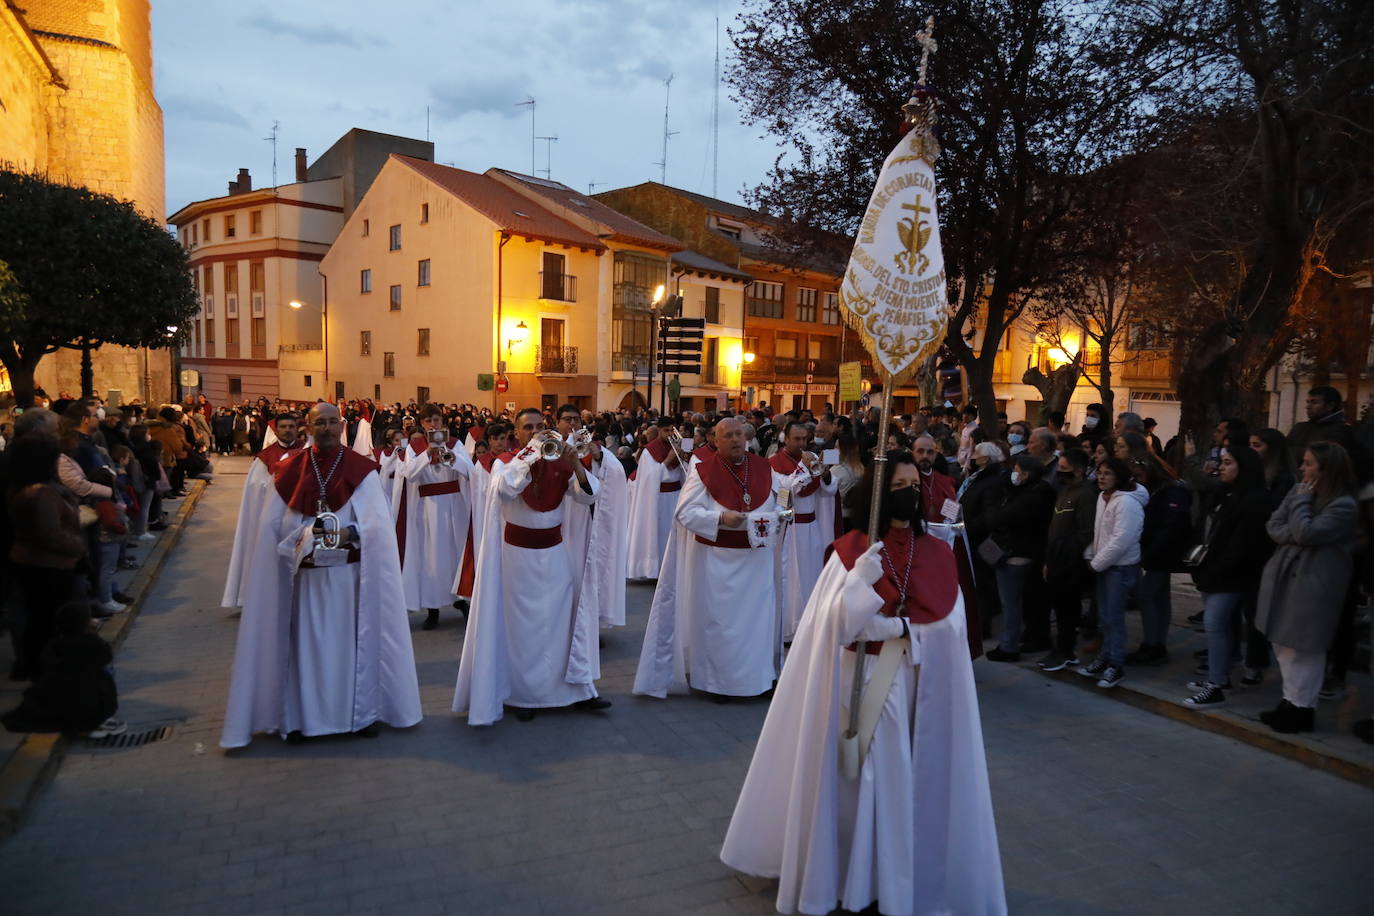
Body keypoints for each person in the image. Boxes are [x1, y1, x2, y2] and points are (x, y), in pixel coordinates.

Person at [719, 450, 1005, 916]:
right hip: (862, 684)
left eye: (914, 486)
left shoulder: (936, 550)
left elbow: (953, 627)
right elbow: (835, 627)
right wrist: (860, 585)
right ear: (876, 495)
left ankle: (899, 879)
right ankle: (853, 880)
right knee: (860, 784)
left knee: (907, 785)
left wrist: (902, 630)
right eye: (897, 488)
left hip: (918, 688)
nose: (909, 495)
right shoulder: (852, 550)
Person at [220, 402, 421, 747]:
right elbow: (271, 529)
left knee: (353, 646)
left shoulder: (362, 469)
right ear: (307, 427)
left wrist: (344, 535)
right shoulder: (289, 470)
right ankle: (299, 719)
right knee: (304, 649)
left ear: (341, 425)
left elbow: (379, 528)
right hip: (305, 582)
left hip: (349, 583)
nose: (327, 428)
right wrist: (302, 538)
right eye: (320, 423)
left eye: (332, 422)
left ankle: (359, 716)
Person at [453, 407, 609, 724]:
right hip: (517, 558)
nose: (536, 432)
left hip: (554, 555)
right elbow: (505, 488)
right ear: (517, 431)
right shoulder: (505, 462)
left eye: (540, 427)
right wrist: (530, 454)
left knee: (559, 623)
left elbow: (589, 496)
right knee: (523, 630)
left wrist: (575, 462)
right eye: (528, 428)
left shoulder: (560, 461)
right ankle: (524, 694)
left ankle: (574, 690)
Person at [634, 417, 802, 700]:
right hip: (717, 563)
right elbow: (684, 512)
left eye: (740, 435)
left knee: (758, 623)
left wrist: (785, 509)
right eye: (729, 436)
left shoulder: (764, 467)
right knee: (720, 625)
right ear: (716, 439)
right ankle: (718, 685)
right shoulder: (703, 471)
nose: (736, 440)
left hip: (757, 562)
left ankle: (758, 680)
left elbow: (781, 498)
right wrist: (721, 518)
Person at [1255, 442, 1359, 734]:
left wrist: (1301, 509)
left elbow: (1308, 532)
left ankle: (1303, 708)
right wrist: (1296, 531)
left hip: (1316, 584)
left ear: (1327, 469)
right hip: (1284, 576)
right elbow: (1274, 524)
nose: (1302, 468)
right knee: (1283, 644)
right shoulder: (1299, 489)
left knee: (1305, 648)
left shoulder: (1343, 505)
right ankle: (1291, 700)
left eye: (1309, 463)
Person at [1180, 445, 1271, 708]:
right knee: (1219, 626)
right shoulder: (1227, 493)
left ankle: (1216, 684)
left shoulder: (1255, 500)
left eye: (1228, 462)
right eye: (1222, 462)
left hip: (1233, 576)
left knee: (1215, 623)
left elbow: (1241, 546)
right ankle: (1219, 677)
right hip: (1214, 573)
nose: (1221, 467)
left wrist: (1213, 570)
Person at [6, 432, 86, 680]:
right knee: (47, 621)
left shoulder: (25, 488)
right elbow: (50, 534)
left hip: (37, 564)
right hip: (48, 567)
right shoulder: (40, 494)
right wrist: (78, 545)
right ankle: (51, 673)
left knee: (40, 620)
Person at [392, 404, 475, 630]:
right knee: (431, 557)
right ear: (422, 423)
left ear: (442, 421)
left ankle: (462, 600)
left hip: (454, 505)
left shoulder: (455, 443)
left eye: (436, 419)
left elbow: (469, 471)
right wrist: (427, 453)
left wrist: (450, 459)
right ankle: (433, 609)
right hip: (427, 509)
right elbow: (408, 474)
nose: (433, 424)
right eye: (428, 421)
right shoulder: (415, 447)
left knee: (456, 553)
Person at [2, 600, 123, 737]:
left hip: (61, 708)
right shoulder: (93, 645)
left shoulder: (54, 647)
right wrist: (94, 634)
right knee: (105, 670)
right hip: (90, 709)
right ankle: (98, 719)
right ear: (85, 625)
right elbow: (106, 656)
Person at [221, 412, 305, 609]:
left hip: (301, 518)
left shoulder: (307, 452)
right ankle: (267, 599)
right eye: (283, 427)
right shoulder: (264, 459)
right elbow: (256, 493)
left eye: (291, 427)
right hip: (273, 520)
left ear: (297, 429)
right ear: (275, 430)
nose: (287, 430)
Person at [1076, 456, 1147, 688]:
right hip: (1104, 566)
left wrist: (1097, 563)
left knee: (1114, 618)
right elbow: (1099, 532)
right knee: (1105, 617)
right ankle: (1104, 657)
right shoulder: (1102, 497)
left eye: (1107, 473)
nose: (1101, 477)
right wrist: (1091, 553)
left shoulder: (1126, 503)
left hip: (1120, 568)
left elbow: (1121, 540)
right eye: (1100, 472)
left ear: (1119, 477)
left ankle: (1115, 664)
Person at [983, 454, 1056, 662]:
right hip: (1023, 553)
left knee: (1010, 604)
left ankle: (1009, 646)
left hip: (1015, 555)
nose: (1012, 474)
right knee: (1015, 603)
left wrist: (992, 504)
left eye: (1016, 470)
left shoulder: (1029, 498)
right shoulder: (1036, 493)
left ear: (1025, 474)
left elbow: (998, 519)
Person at [770, 420, 838, 641]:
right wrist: (804, 468)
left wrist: (825, 474)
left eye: (804, 439)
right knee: (789, 578)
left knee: (810, 575)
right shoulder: (773, 463)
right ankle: (788, 627)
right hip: (789, 530)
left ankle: (809, 624)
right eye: (796, 439)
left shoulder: (812, 458)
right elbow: (786, 490)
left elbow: (828, 492)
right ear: (785, 438)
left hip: (811, 528)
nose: (801, 443)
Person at [1124, 456, 1192, 666]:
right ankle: (1155, 642)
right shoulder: (1155, 490)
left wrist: (1152, 549)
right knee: (1159, 597)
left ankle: (1153, 643)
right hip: (1158, 550)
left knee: (1149, 596)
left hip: (1162, 551)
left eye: (1140, 475)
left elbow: (1171, 524)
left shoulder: (1171, 491)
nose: (1138, 479)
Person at [1038, 449, 1097, 671]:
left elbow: (1085, 533)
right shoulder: (1064, 491)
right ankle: (1060, 649)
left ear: (1079, 470)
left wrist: (1064, 554)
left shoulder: (1086, 495)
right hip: (1055, 561)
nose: (1059, 472)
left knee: (1068, 611)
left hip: (1070, 564)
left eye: (1064, 468)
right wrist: (1048, 560)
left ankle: (1066, 651)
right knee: (1060, 608)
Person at [624, 419, 685, 580]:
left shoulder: (678, 446)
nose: (670, 434)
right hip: (659, 500)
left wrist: (683, 457)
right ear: (658, 431)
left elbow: (684, 472)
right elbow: (649, 477)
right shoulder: (649, 451)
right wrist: (667, 460)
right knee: (659, 533)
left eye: (672, 430)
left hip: (676, 496)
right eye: (666, 430)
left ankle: (674, 569)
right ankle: (655, 571)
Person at [911, 435, 956, 524]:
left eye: (930, 452)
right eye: (920, 451)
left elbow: (952, 516)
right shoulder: (906, 481)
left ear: (935, 455)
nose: (925, 456)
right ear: (912, 453)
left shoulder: (947, 482)